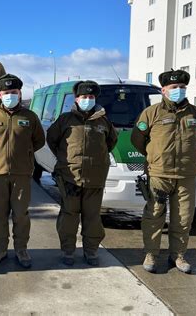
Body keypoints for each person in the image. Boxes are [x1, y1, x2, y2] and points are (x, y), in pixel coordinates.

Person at [131, 69, 196, 274]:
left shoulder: (195, 113)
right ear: (164, 90)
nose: (179, 91)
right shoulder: (151, 113)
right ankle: (151, 254)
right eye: (174, 88)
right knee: (154, 215)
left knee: (184, 217)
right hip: (159, 174)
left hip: (186, 174)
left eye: (182, 87)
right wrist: (155, 156)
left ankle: (178, 256)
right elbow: (138, 139)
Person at [46, 81, 117, 266]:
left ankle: (91, 251)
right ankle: (68, 251)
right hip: (70, 178)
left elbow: (111, 142)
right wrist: (65, 159)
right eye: (84, 97)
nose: (88, 100)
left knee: (92, 217)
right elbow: (52, 140)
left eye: (91, 97)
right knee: (69, 216)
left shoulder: (103, 121)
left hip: (95, 179)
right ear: (76, 99)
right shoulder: (65, 120)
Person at [0, 74, 45, 268]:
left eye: (13, 92)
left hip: (22, 174)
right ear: (0, 94)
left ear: (20, 93)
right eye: (6, 93)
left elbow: (39, 140)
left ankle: (21, 250)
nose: (10, 96)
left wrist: (24, 154)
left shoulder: (30, 117)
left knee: (21, 214)